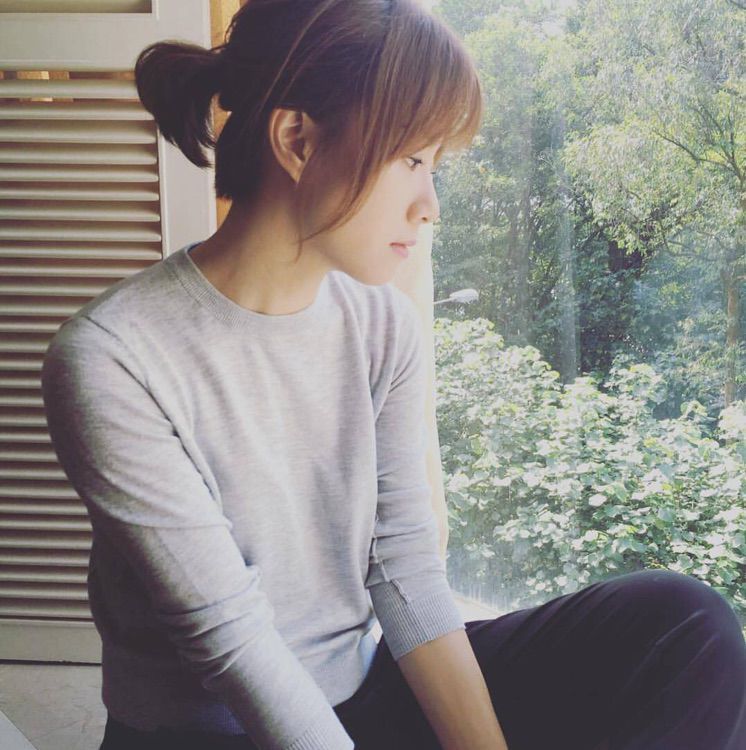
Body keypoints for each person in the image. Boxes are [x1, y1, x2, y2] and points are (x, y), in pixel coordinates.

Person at [40, 1, 745, 749]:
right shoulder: (111, 355)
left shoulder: (382, 325)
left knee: (682, 627)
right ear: (297, 140)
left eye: (435, 167)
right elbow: (233, 643)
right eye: (412, 160)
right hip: (211, 727)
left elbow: (404, 570)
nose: (430, 205)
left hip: (360, 690)